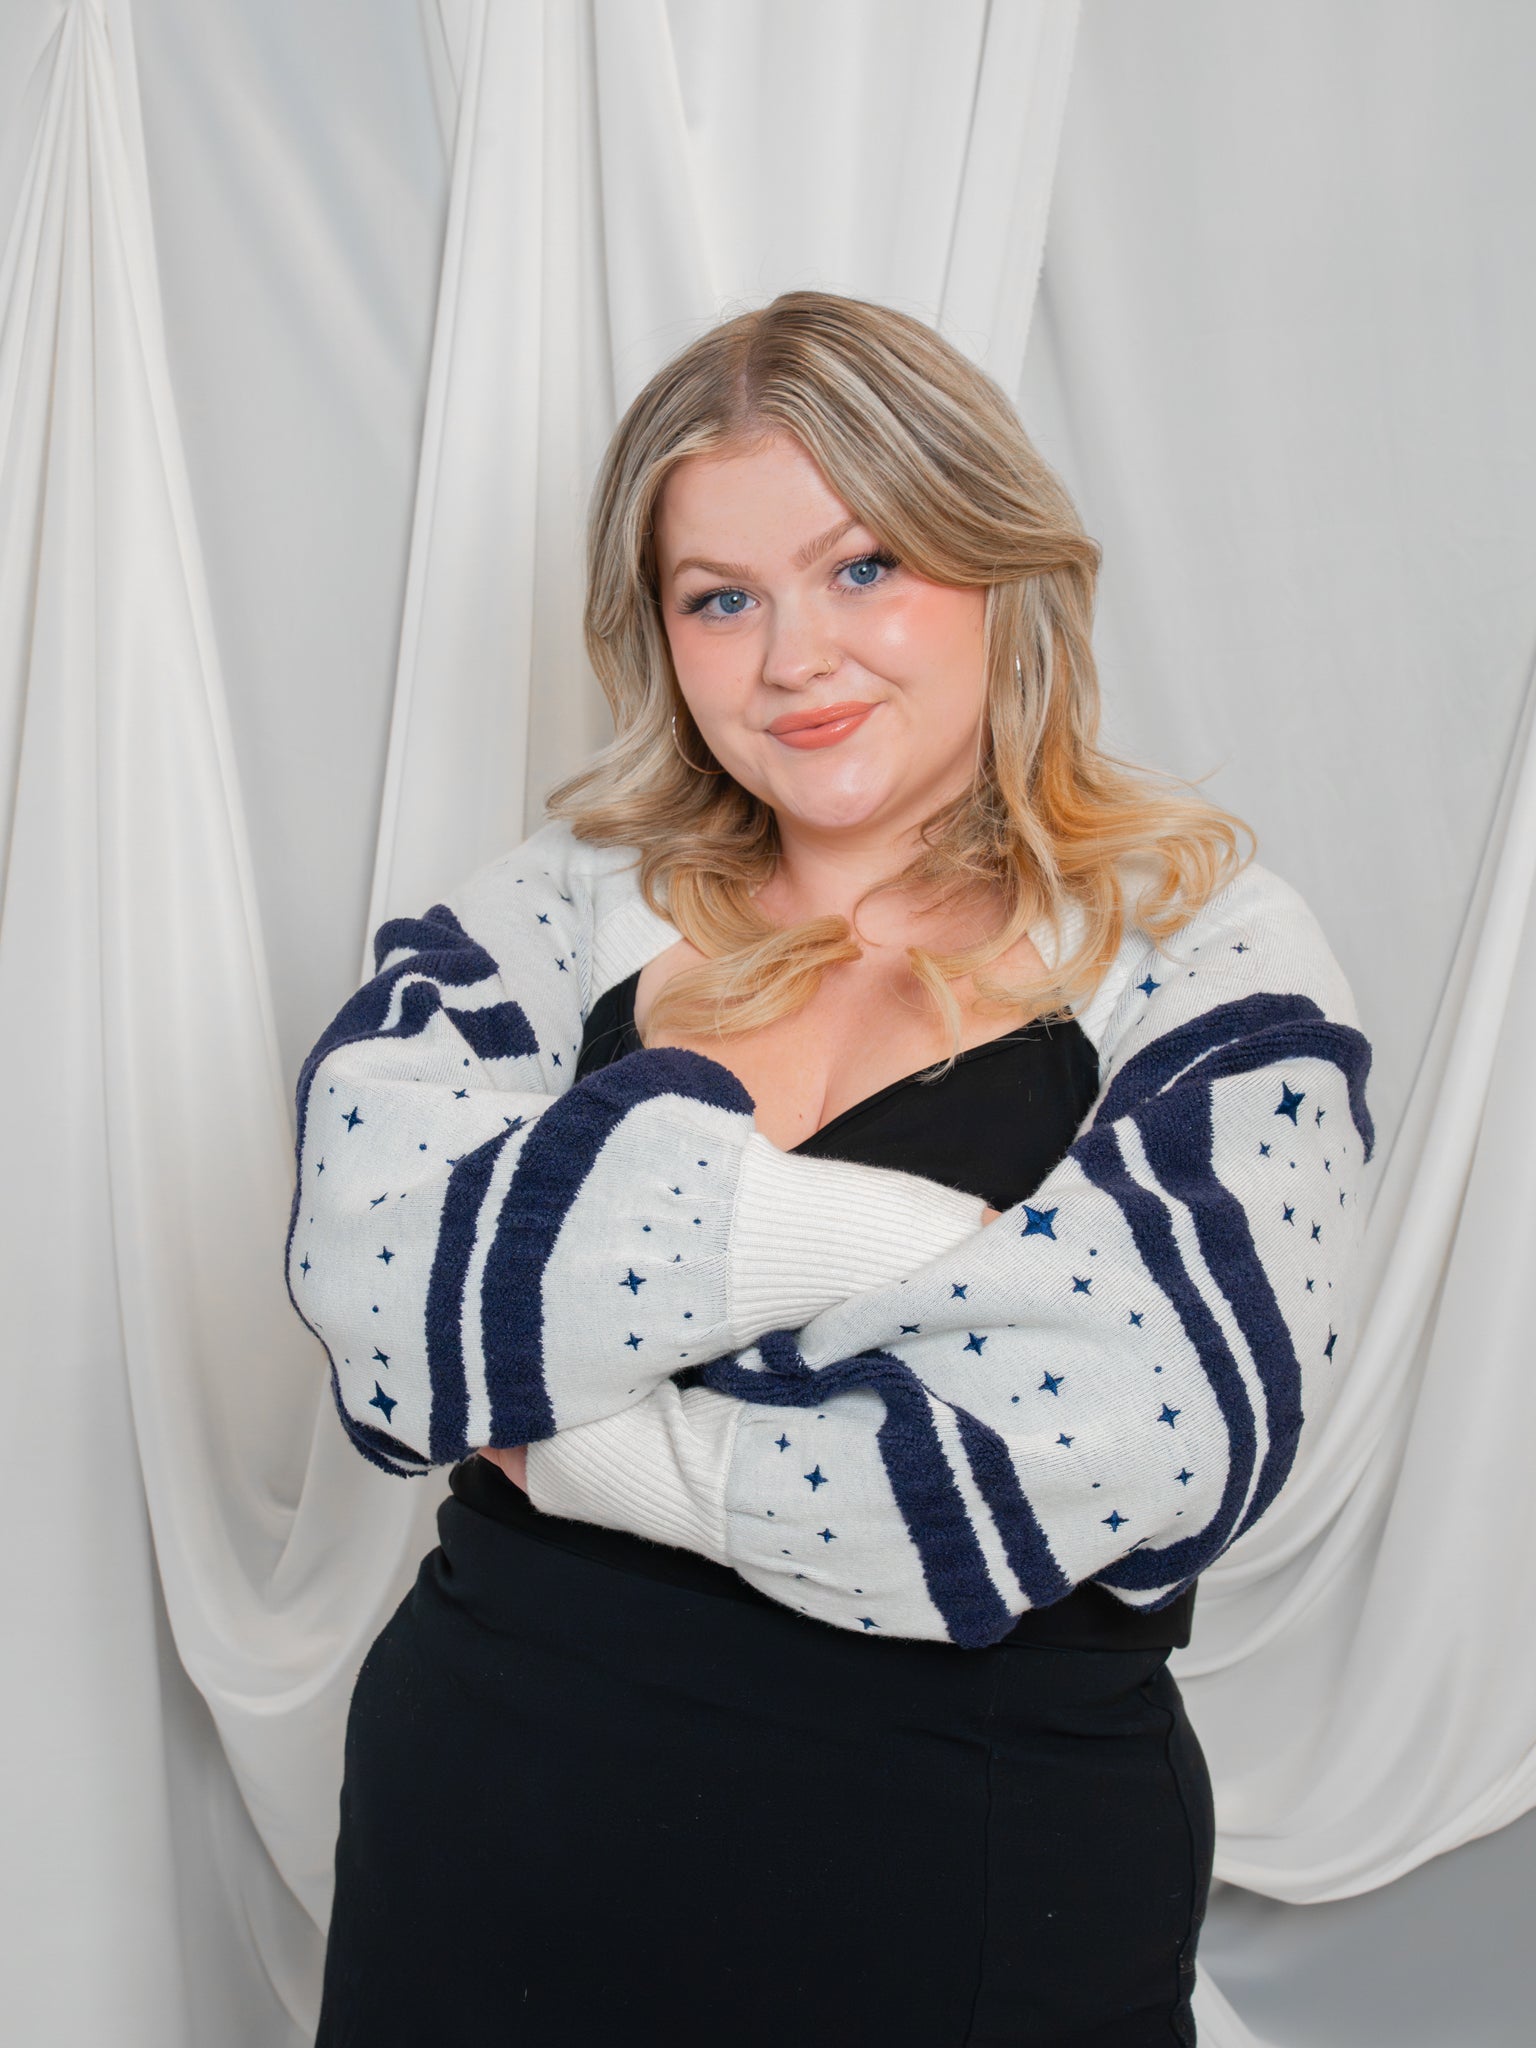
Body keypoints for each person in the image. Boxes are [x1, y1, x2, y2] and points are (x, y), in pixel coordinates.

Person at [291, 291, 1374, 2046]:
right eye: (723, 597)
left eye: (864, 566)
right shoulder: (560, 909)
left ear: (996, 564)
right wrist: (907, 1249)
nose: (794, 658)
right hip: (490, 1826)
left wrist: (572, 1403)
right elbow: (378, 1306)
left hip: (969, 1877)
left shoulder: (1207, 957)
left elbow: (1142, 1444)